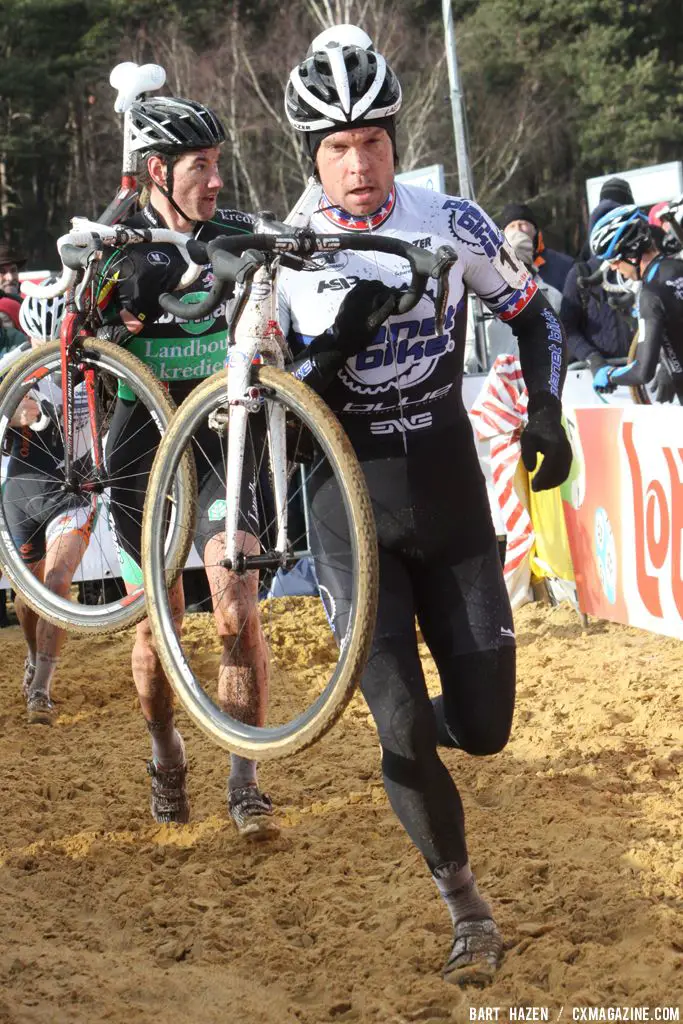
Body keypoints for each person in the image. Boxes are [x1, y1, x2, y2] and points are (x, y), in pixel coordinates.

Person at [279, 42, 572, 984]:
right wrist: (333, 350)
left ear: (393, 141)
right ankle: (466, 910)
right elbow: (276, 426)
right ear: (310, 156)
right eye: (336, 148)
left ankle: (423, 729)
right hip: (350, 517)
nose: (357, 165)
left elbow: (535, 311)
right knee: (400, 727)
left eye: (370, 141)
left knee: (483, 727)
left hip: (448, 501)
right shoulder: (286, 259)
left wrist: (547, 412)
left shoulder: (448, 220)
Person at [96, 96, 278, 837]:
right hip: (144, 446)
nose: (215, 181)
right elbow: (86, 348)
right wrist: (118, 305)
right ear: (156, 172)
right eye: (199, 167)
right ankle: (166, 754)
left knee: (236, 610)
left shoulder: (235, 231)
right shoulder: (116, 242)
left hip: (219, 436)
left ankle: (244, 778)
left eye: (218, 165)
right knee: (158, 625)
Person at [2, 289, 95, 724]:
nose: (48, 356)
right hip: (22, 490)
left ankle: (41, 688)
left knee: (57, 583)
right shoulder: (12, 364)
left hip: (74, 488)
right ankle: (32, 655)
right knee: (28, 598)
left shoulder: (92, 359)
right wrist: (15, 412)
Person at [589, 204, 683, 400]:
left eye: (614, 261)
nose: (614, 269)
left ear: (631, 253)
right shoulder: (678, 267)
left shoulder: (650, 295)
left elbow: (642, 371)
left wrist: (608, 375)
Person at [498, 202, 573, 293]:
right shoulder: (495, 269)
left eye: (522, 224)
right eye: (512, 226)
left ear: (535, 230)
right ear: (503, 234)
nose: (517, 229)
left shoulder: (564, 265)